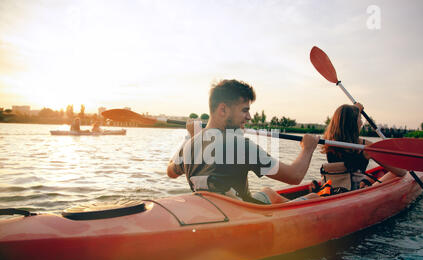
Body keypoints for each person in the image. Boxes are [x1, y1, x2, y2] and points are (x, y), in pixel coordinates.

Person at [166, 79, 319, 204]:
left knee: (268, 192)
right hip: (242, 215)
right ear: (223, 110)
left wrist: (190, 136)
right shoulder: (239, 145)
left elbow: (171, 172)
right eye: (244, 110)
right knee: (314, 198)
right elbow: (294, 176)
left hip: (213, 213)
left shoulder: (190, 144)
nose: (249, 117)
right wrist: (308, 148)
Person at [321, 103, 406, 191]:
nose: (361, 123)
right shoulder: (366, 147)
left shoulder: (329, 143)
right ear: (353, 123)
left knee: (369, 178)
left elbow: (345, 116)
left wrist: (356, 109)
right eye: (360, 119)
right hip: (354, 191)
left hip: (333, 188)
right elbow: (401, 172)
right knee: (396, 173)